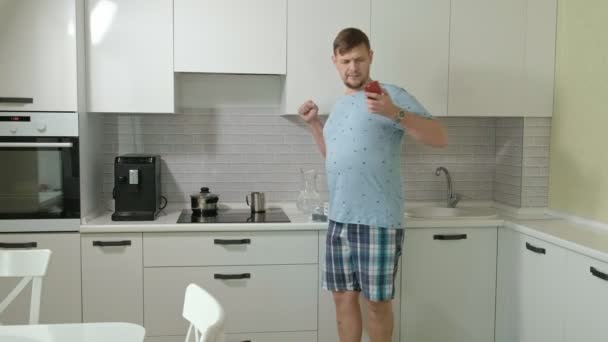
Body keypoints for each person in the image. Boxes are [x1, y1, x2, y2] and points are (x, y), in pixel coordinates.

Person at [298, 27, 448, 342]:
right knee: (342, 300)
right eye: (346, 61)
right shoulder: (338, 108)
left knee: (378, 305)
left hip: (377, 221)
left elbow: (439, 137)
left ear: (371, 58)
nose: (353, 67)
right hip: (339, 220)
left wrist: (394, 112)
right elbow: (333, 156)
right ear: (335, 62)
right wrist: (314, 124)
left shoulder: (391, 95)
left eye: (359, 59)